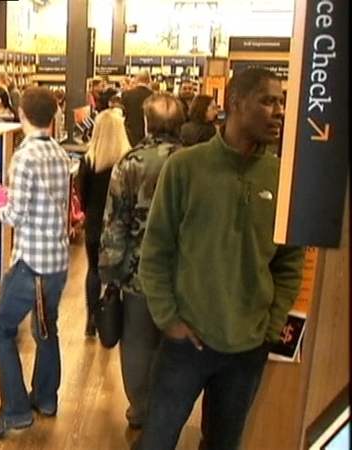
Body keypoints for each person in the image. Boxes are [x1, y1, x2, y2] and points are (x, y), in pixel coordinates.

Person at [135, 67, 305, 450]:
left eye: (281, 102)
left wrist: (270, 324)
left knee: (224, 444)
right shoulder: (185, 168)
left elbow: (289, 263)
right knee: (157, 441)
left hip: (247, 348)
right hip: (186, 343)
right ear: (236, 104)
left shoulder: (282, 179)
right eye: (267, 101)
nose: (278, 111)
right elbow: (156, 250)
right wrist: (169, 319)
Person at [0, 87, 70, 439]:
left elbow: (15, 214)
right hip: (57, 262)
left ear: (22, 114)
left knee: (1, 329)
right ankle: (45, 398)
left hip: (31, 263)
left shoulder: (24, 156)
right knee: (46, 329)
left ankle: (14, 411)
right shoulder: (59, 154)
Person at [98, 92, 185, 430]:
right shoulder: (193, 161)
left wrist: (109, 271)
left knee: (137, 345)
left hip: (138, 273)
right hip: (184, 275)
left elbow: (115, 221)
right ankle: (169, 415)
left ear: (147, 122)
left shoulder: (130, 163)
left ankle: (139, 411)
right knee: (176, 349)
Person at [78, 108, 132, 338]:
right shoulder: (129, 161)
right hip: (120, 225)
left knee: (93, 270)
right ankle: (114, 321)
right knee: (119, 272)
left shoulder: (89, 161)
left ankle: (90, 321)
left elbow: (82, 196)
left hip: (94, 224)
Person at [122, 70, 154, 147]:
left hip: (129, 134)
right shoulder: (154, 96)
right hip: (148, 135)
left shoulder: (126, 95)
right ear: (149, 80)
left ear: (137, 79)